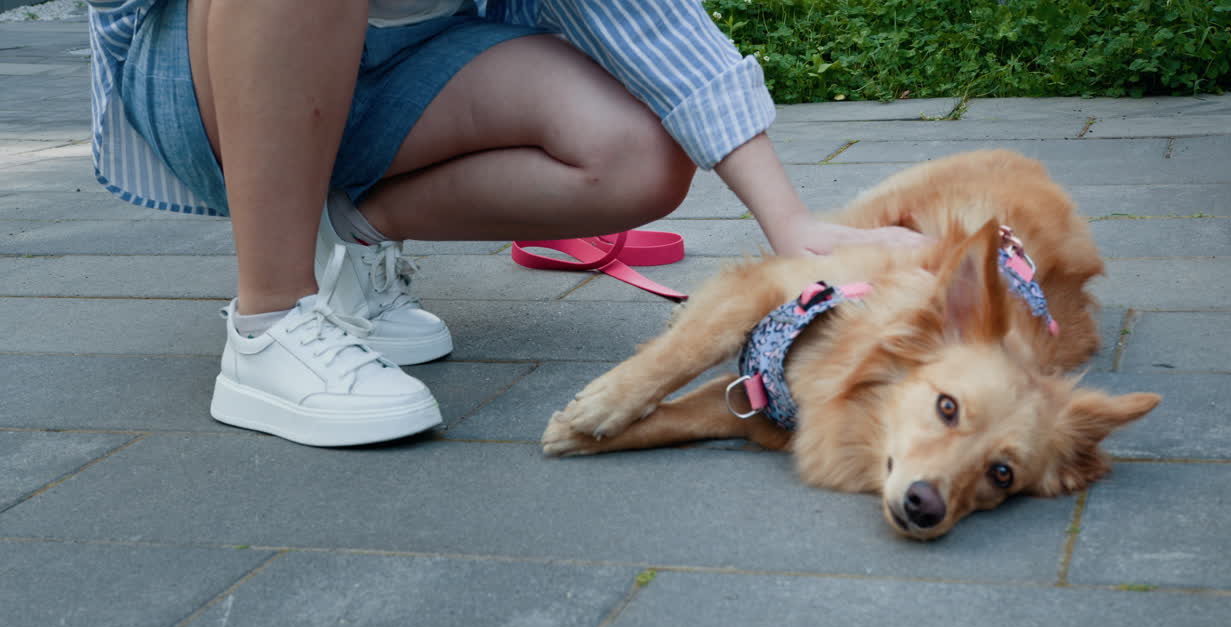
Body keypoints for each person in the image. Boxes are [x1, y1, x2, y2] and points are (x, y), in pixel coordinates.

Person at [88, 0, 924, 447]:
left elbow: (650, 21)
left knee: (636, 151)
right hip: (217, 74)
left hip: (407, 73)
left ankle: (346, 236)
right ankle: (270, 317)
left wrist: (788, 219)